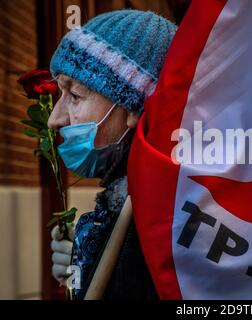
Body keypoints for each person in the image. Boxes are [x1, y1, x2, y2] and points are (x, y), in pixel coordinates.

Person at [48, 9, 177, 300]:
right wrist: (80, 266)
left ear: (134, 108)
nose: (54, 119)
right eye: (60, 94)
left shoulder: (160, 229)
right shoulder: (126, 203)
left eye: (75, 96)